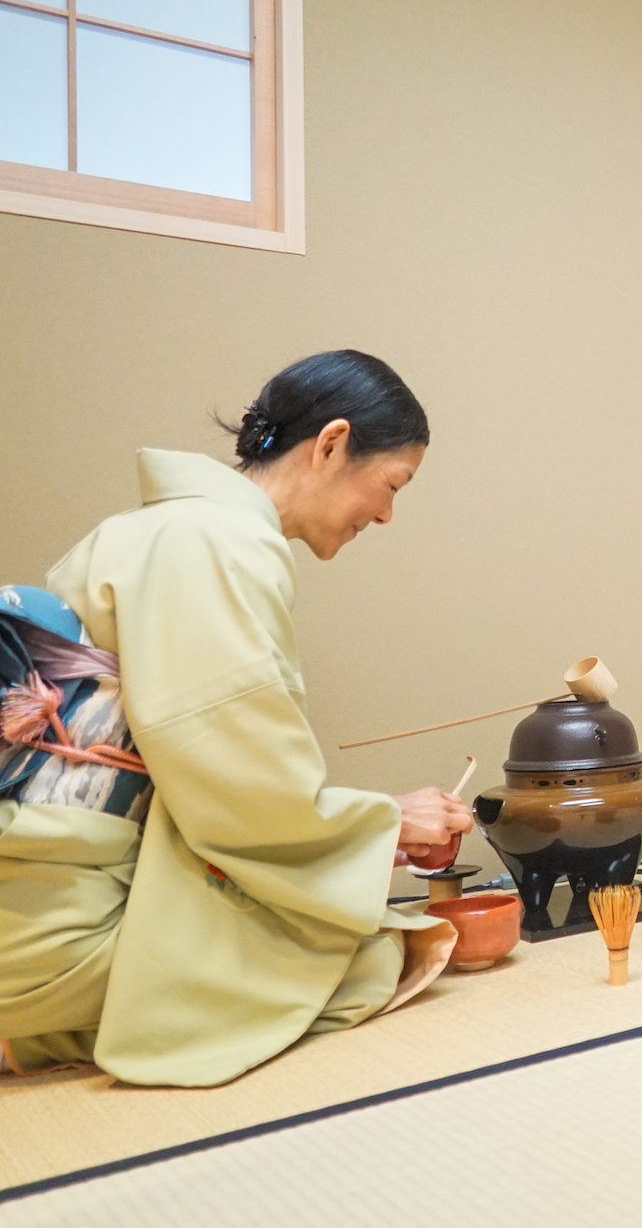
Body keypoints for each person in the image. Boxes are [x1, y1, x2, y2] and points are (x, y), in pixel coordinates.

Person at [0, 350, 472, 1086]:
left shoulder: (154, 531)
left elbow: (217, 769)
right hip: (62, 922)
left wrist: (373, 839)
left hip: (48, 871)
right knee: (378, 952)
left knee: (356, 933)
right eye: (391, 485)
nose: (385, 514)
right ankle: (36, 1028)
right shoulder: (216, 545)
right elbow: (239, 792)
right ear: (331, 444)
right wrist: (386, 823)